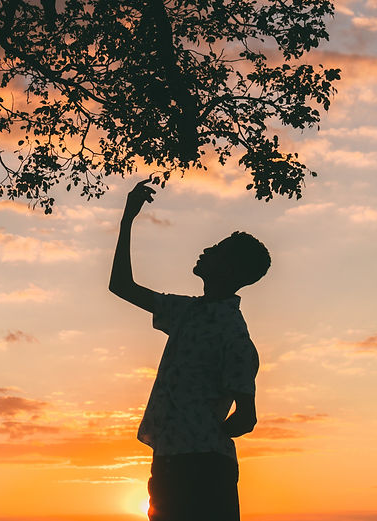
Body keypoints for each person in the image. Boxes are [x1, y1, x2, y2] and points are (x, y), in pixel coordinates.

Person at [108, 178, 270, 521]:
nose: (207, 250)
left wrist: (203, 433)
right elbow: (120, 286)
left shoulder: (233, 334)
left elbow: (246, 416)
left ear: (229, 269)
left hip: (203, 468)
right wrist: (127, 220)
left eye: (218, 250)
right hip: (169, 459)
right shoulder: (186, 311)